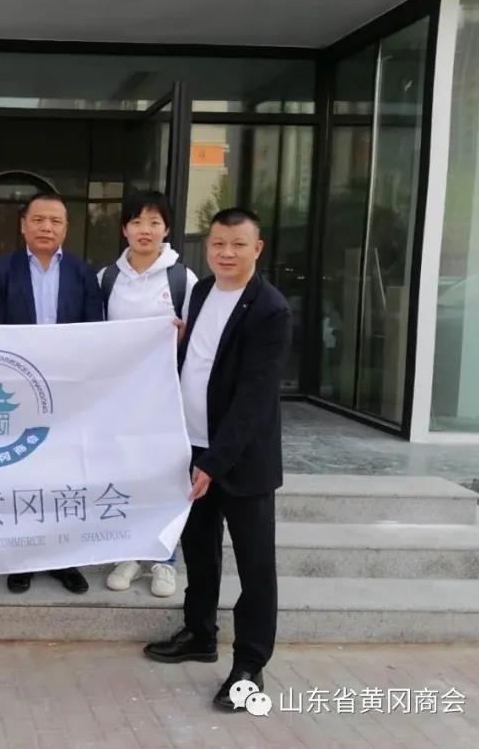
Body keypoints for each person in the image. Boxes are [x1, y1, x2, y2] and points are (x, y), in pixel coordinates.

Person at [142, 208, 291, 712]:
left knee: (255, 567)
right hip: (193, 447)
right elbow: (197, 361)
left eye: (237, 245)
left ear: (257, 248)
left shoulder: (270, 309)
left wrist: (215, 462)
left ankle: (249, 665)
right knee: (200, 552)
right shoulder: (202, 290)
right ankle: (199, 633)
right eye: (218, 244)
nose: (226, 253)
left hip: (241, 460)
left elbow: (254, 398)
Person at [0, 192, 103, 595]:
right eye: (38, 220)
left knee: (65, 477)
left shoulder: (84, 274)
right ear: (23, 225)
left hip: (68, 394)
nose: (46, 228)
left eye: (55, 221)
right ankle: (21, 558)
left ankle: (64, 558)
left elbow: (95, 335)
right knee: (21, 474)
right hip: (18, 392)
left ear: (66, 228)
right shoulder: (0, 270)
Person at [99, 191, 198, 598]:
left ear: (166, 229)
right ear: (124, 228)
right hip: (119, 401)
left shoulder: (183, 279)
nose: (145, 230)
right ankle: (128, 552)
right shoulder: (107, 278)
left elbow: (197, 340)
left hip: (166, 401)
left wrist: (181, 337)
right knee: (124, 474)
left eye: (154, 222)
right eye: (137, 221)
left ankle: (164, 559)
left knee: (166, 478)